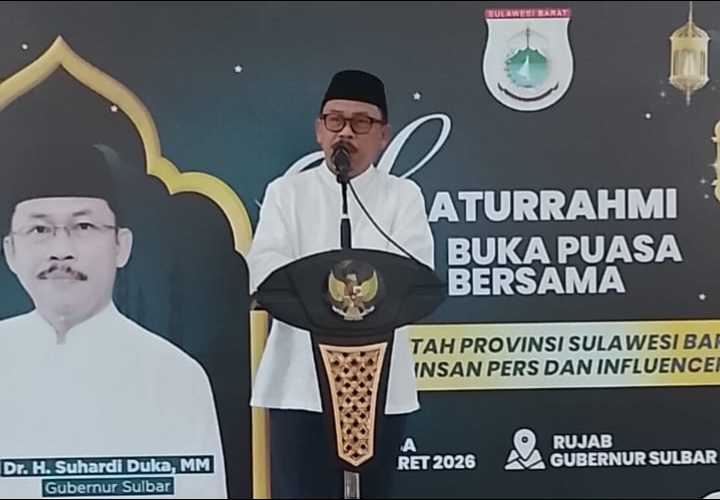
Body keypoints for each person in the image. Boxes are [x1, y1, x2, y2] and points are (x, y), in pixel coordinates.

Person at [0, 143, 227, 499]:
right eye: (40, 230)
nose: (61, 251)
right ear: (11, 251)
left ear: (121, 246)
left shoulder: (176, 375)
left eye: (83, 226)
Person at [248, 69, 435, 498]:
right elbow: (265, 269)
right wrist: (326, 289)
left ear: (384, 135)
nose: (345, 132)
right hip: (300, 385)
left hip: (381, 385)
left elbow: (417, 272)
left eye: (361, 122)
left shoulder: (403, 196)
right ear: (319, 130)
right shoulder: (286, 193)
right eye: (335, 120)